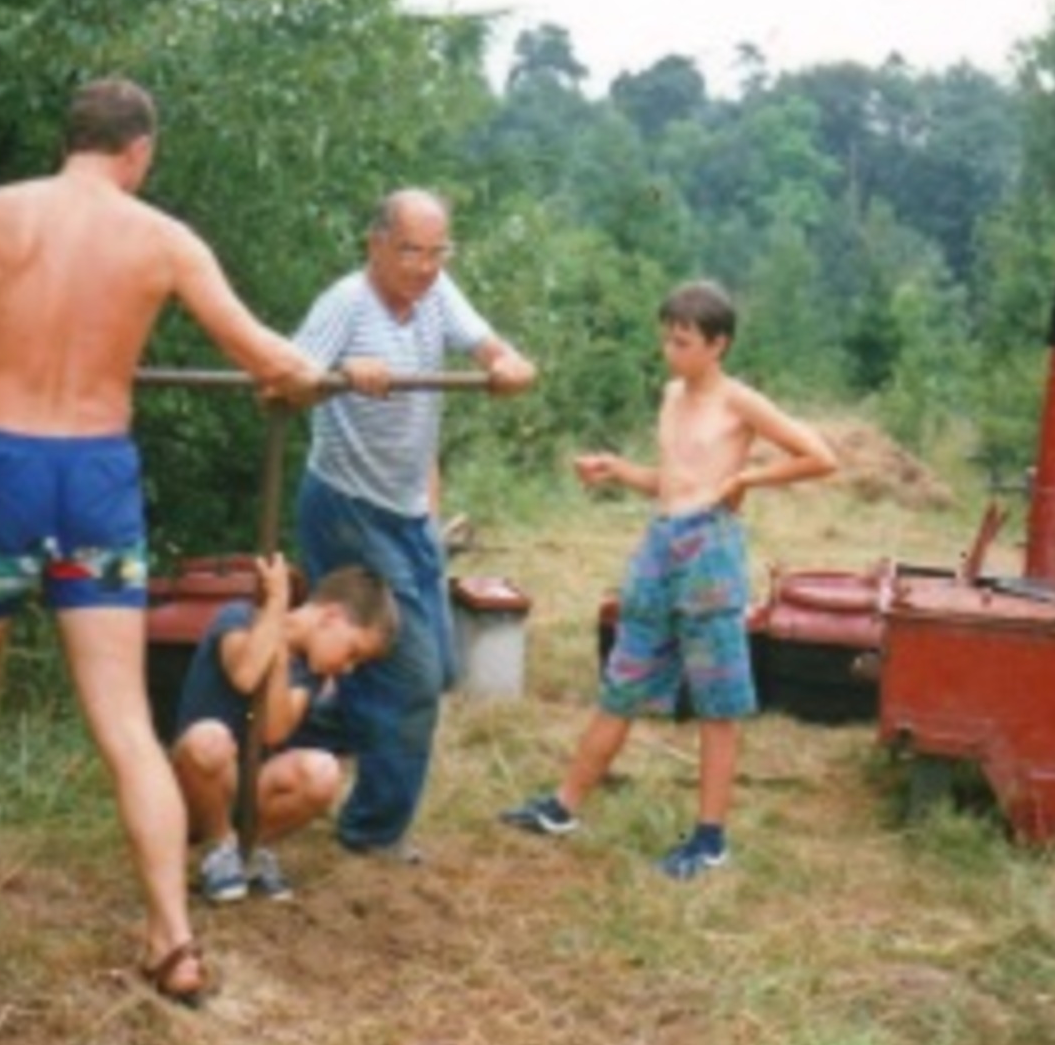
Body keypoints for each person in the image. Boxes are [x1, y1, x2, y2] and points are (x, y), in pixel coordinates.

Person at [0, 77, 324, 1004]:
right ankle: (172, 941)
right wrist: (321, 377)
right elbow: (274, 360)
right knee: (128, 722)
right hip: (94, 479)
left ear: (71, 139)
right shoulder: (163, 239)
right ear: (139, 151)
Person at [500, 279, 838, 880]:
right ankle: (562, 808)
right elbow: (673, 480)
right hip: (659, 548)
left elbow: (820, 456)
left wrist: (747, 480)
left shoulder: (740, 401)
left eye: (682, 342)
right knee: (624, 677)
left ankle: (710, 841)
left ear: (718, 344)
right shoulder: (671, 394)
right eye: (666, 340)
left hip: (711, 550)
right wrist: (616, 469)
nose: (670, 352)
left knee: (717, 698)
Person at [286, 188, 537, 858]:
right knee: (412, 676)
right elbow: (283, 379)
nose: (425, 267)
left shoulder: (436, 292)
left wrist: (505, 364)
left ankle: (277, 728)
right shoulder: (345, 303)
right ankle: (373, 831)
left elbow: (490, 346)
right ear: (376, 245)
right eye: (410, 252)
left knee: (439, 669)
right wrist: (339, 372)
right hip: (347, 507)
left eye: (436, 252)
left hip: (409, 509)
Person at [170, 555, 398, 905]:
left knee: (322, 772)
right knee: (210, 740)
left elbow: (273, 732)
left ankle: (248, 851)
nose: (348, 668)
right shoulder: (238, 618)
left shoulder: (311, 672)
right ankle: (219, 845)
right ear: (331, 617)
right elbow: (246, 675)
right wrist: (275, 607)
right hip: (196, 787)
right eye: (352, 652)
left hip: (248, 789)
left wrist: (279, 662)